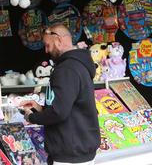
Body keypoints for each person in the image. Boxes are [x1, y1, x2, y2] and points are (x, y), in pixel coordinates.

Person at [21, 24, 100, 165]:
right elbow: (69, 106)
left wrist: (32, 117)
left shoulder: (66, 69)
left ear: (58, 40)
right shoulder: (77, 65)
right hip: (79, 150)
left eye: (47, 45)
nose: (46, 50)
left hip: (69, 155)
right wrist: (40, 109)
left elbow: (59, 112)